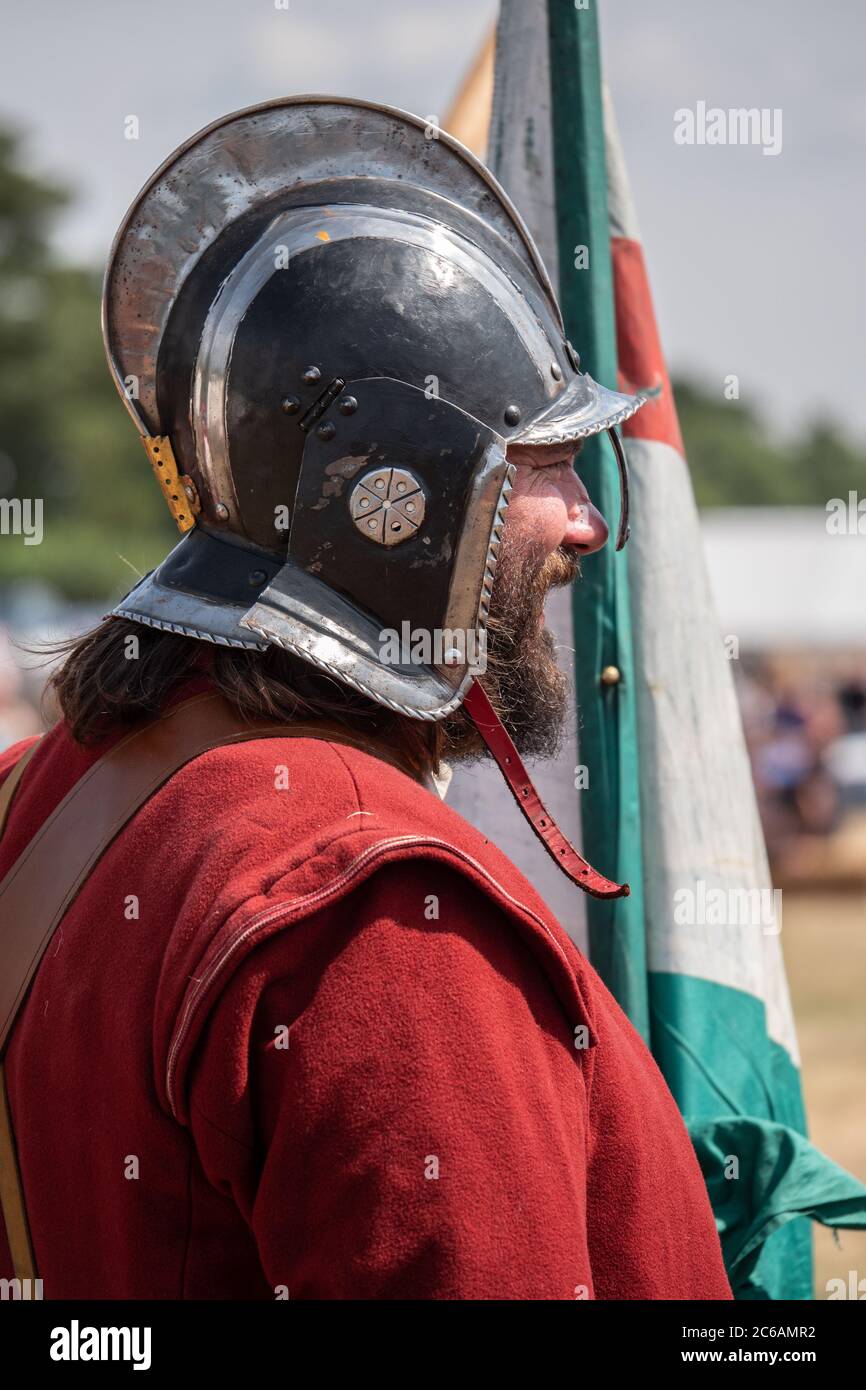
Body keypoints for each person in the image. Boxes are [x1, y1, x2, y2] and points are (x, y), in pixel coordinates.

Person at [0, 97, 731, 1301]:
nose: (586, 524)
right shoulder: (377, 906)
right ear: (399, 496)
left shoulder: (44, 796)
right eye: (542, 463)